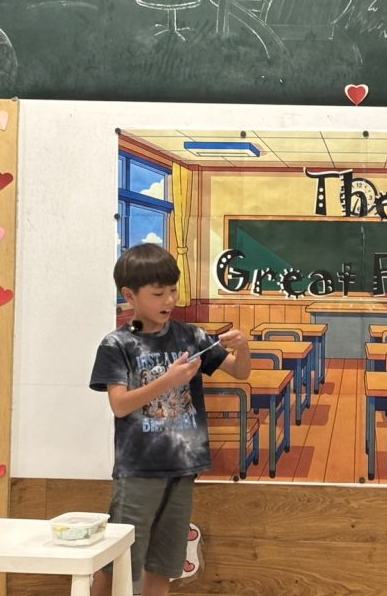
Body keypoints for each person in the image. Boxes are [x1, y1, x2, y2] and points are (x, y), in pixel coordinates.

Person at [89, 243, 250, 596]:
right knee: (119, 560)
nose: (169, 300)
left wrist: (243, 347)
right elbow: (120, 405)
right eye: (158, 293)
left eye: (173, 291)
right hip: (138, 470)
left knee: (164, 562)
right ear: (129, 295)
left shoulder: (190, 336)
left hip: (183, 466)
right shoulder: (117, 344)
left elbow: (240, 372)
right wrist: (168, 380)